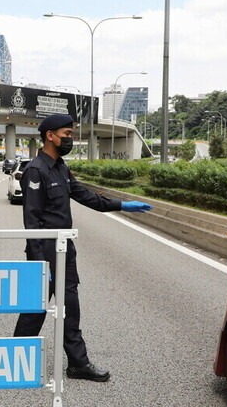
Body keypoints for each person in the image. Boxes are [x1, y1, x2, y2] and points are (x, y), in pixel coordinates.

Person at [13, 113, 152, 381]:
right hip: (45, 250)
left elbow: (86, 196)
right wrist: (41, 263)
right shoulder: (36, 170)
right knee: (35, 308)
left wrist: (121, 205)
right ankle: (15, 359)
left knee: (70, 308)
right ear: (50, 136)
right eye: (66, 134)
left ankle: (78, 364)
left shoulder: (61, 168)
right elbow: (31, 222)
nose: (70, 139)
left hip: (65, 248)